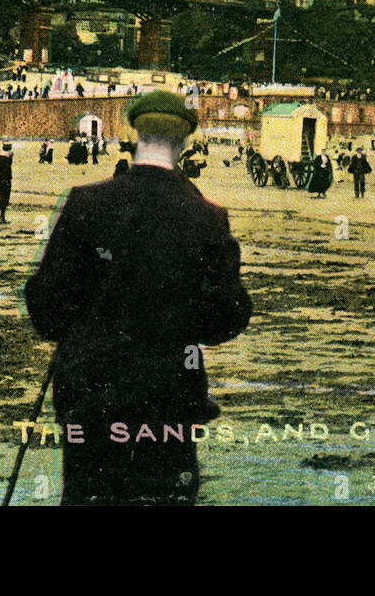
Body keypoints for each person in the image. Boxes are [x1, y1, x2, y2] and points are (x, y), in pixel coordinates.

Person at [23, 89, 251, 505]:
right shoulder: (206, 216)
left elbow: (45, 305)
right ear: (184, 145)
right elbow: (226, 317)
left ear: (135, 135)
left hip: (89, 392)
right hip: (169, 397)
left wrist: (82, 322)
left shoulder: (85, 201)